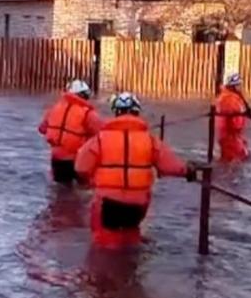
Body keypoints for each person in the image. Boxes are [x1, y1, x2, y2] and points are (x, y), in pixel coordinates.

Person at [74, 92, 198, 249]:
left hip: (107, 204)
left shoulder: (99, 139)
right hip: (137, 205)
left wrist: (90, 180)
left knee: (104, 246)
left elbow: (80, 167)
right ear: (137, 112)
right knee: (131, 241)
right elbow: (170, 165)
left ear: (116, 112)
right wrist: (188, 171)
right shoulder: (150, 140)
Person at [38, 79, 104, 185]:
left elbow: (42, 129)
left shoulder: (54, 109)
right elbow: (103, 134)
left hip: (56, 159)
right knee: (82, 190)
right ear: (84, 95)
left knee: (60, 190)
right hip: (78, 159)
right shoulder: (87, 113)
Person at [214, 73, 251, 162]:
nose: (241, 87)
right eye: (239, 84)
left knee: (234, 159)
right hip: (231, 137)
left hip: (232, 136)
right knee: (233, 162)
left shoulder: (231, 97)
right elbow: (236, 123)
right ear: (234, 86)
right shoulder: (229, 99)